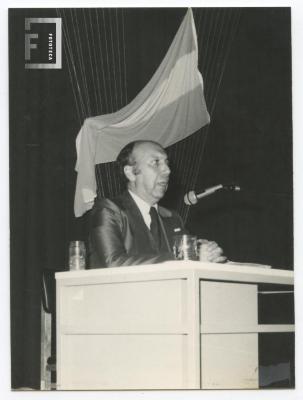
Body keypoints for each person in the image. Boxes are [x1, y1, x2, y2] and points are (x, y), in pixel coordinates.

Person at [89, 140, 226, 268]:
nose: (167, 170)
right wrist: (189, 256)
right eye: (156, 162)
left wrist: (204, 249)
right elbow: (113, 263)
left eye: (166, 163)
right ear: (130, 173)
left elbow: (189, 255)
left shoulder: (173, 218)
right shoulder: (109, 210)